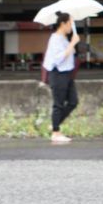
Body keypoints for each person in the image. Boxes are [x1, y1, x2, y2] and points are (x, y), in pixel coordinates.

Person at [42, 12, 80, 144]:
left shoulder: (63, 38)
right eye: (70, 24)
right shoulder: (55, 38)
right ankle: (55, 132)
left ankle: (55, 123)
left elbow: (69, 54)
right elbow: (58, 59)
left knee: (73, 102)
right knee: (58, 103)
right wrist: (72, 43)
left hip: (67, 73)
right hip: (58, 74)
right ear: (63, 24)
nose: (71, 27)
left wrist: (72, 44)